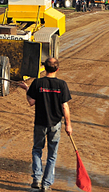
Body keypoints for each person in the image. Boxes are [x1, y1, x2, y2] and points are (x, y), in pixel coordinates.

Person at [19, 58, 72, 191]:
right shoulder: (62, 84)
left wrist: (27, 89)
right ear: (57, 69)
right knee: (52, 155)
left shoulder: (37, 83)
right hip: (55, 124)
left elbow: (31, 102)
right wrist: (68, 125)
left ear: (44, 68)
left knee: (37, 150)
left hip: (40, 124)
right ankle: (46, 184)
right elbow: (65, 106)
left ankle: (37, 178)